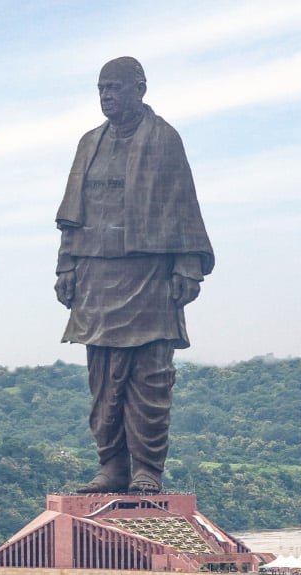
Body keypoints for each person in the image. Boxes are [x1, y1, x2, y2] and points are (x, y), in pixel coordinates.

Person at [54, 57, 214, 494]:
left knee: (150, 376)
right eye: (101, 89)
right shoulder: (89, 143)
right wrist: (66, 265)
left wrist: (187, 265)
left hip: (149, 274)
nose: (107, 96)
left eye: (115, 88)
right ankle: (112, 466)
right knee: (103, 379)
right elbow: (71, 215)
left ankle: (147, 468)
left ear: (140, 88)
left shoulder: (164, 138)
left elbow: (183, 204)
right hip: (95, 274)